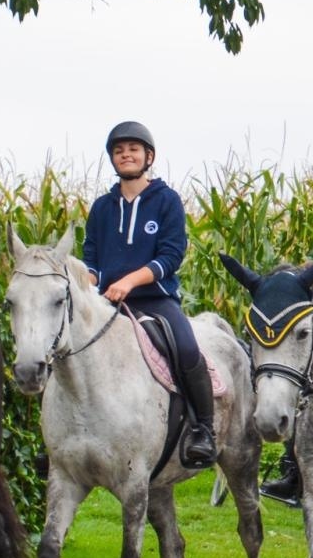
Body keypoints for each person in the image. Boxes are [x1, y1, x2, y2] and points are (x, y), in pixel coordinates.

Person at [83, 121, 217, 468]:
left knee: (187, 349)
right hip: (108, 302)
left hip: (156, 299)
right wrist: (87, 280)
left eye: (133, 149)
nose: (125, 154)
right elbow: (92, 257)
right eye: (118, 150)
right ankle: (62, 434)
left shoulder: (166, 200)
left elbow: (171, 255)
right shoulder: (101, 207)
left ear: (149, 157)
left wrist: (130, 281)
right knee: (66, 346)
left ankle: (204, 429)